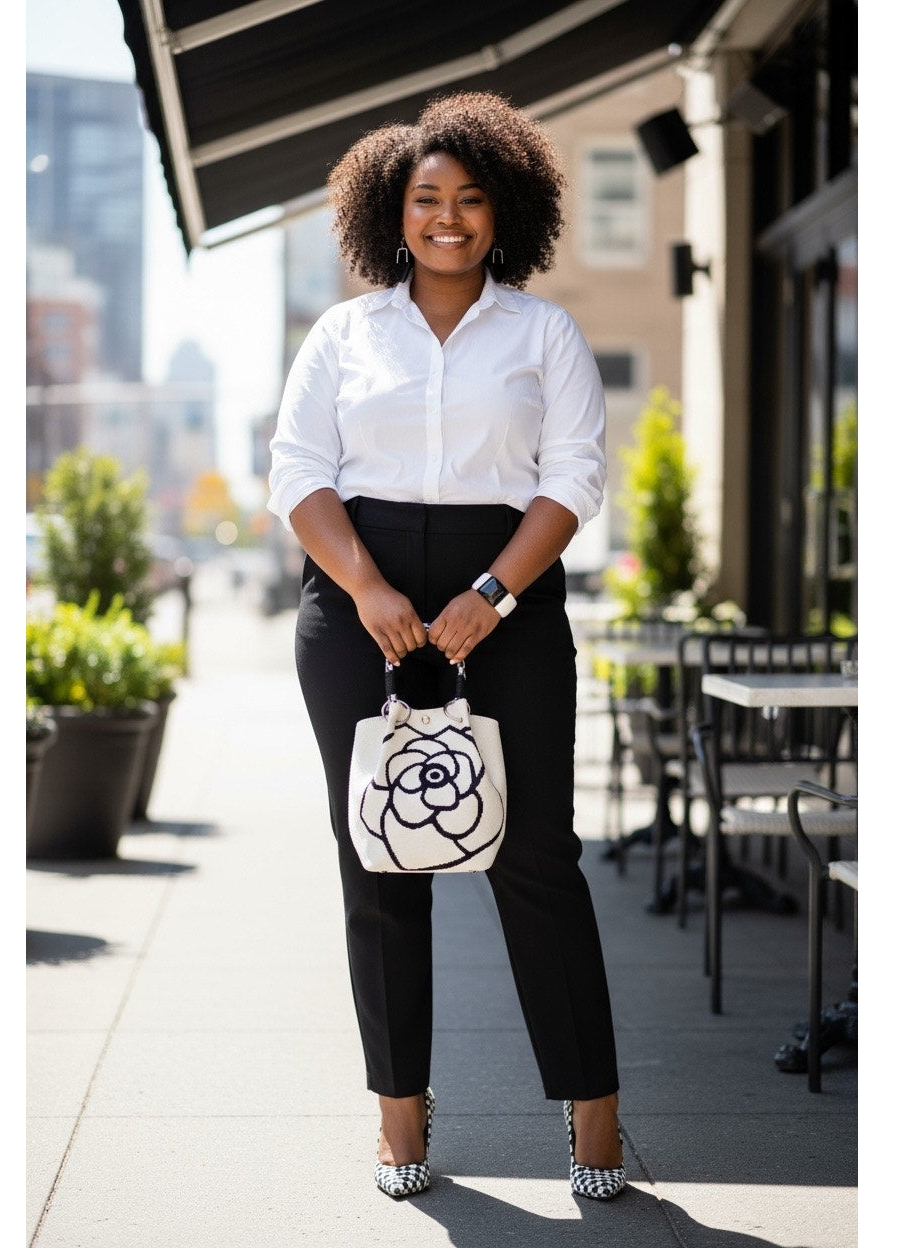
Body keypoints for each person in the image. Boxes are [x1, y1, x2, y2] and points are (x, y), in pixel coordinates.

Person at [267, 90, 625, 1201]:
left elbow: (573, 477)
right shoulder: (345, 333)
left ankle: (596, 1117)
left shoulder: (543, 332)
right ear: (393, 209)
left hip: (504, 596)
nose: (449, 219)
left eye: (471, 199)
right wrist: (367, 586)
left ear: (504, 207)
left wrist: (491, 594)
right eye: (428, 200)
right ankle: (399, 1116)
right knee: (380, 857)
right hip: (358, 602)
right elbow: (297, 473)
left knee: (536, 858)